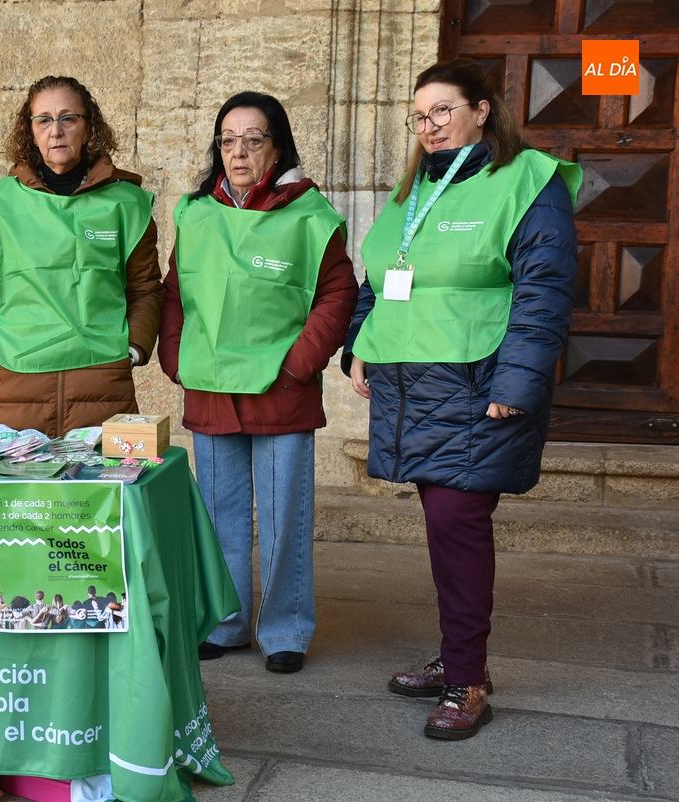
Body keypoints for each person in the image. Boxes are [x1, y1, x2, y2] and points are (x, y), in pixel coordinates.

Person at [344, 58, 580, 740]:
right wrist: (361, 341)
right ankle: (455, 656)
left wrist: (516, 386)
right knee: (445, 527)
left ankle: (468, 680)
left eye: (444, 110)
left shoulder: (527, 181)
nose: (431, 125)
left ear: (483, 109)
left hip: (477, 385)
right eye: (420, 116)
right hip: (413, 386)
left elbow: (543, 292)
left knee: (457, 525)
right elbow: (379, 279)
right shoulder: (414, 191)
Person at [158, 92, 358, 674]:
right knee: (219, 515)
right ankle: (226, 623)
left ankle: (286, 630)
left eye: (253, 139)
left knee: (282, 519)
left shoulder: (310, 215)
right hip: (213, 389)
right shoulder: (195, 212)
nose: (238, 151)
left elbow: (337, 293)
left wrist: (299, 364)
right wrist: (175, 355)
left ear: (277, 145)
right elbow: (176, 292)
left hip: (281, 391)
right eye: (227, 139)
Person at [0, 75, 164, 436]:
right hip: (16, 386)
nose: (56, 131)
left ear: (88, 126)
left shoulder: (126, 203)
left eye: (68, 118)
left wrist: (134, 347)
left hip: (103, 383)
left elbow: (146, 289)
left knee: (100, 491)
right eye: (44, 120)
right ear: (30, 131)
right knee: (15, 493)